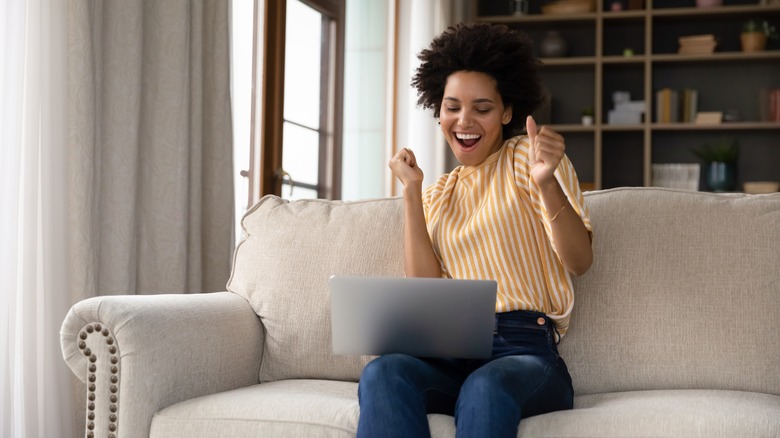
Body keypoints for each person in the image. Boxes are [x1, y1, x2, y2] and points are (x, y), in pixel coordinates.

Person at [356, 22, 594, 438]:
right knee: (384, 371)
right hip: (449, 352)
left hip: (523, 351)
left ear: (506, 112)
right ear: (438, 111)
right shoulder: (439, 193)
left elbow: (580, 261)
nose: (464, 120)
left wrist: (546, 182)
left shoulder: (528, 159)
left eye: (482, 108)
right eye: (452, 107)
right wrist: (412, 192)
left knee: (486, 386)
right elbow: (426, 290)